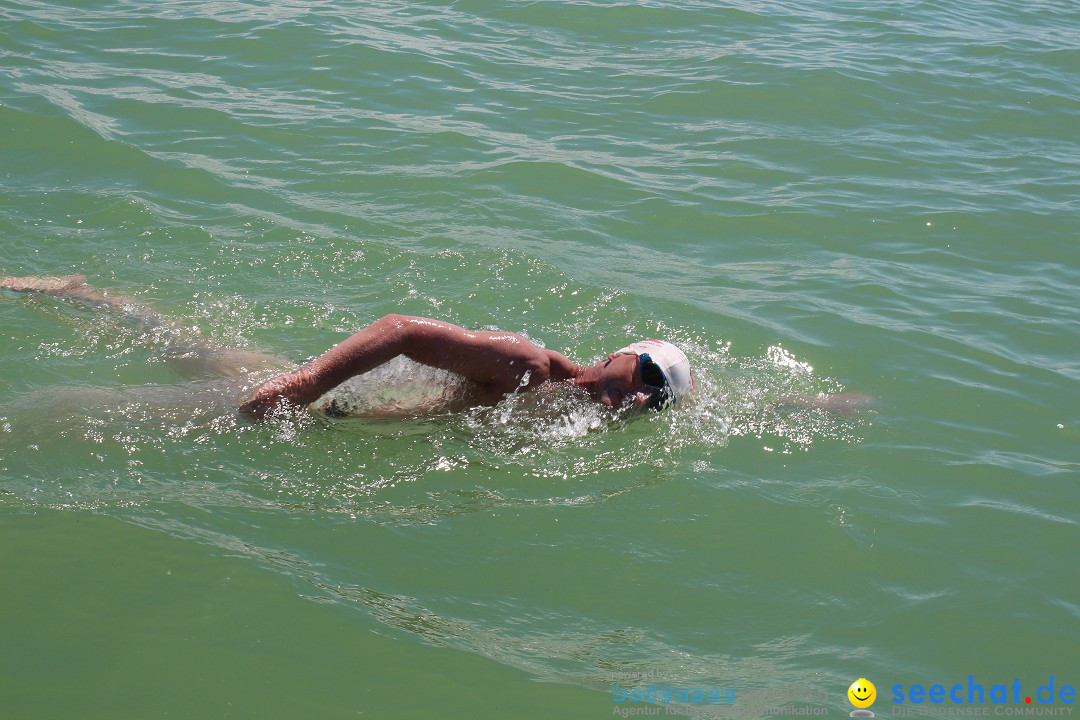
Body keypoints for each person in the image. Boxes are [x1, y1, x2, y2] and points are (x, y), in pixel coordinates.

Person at [2, 274, 694, 419]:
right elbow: (399, 330)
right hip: (313, 399)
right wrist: (302, 387)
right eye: (645, 372)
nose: (638, 392)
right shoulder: (528, 367)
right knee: (91, 410)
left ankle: (81, 295)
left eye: (654, 396)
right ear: (619, 351)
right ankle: (73, 294)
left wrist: (804, 405)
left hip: (330, 402)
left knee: (184, 346)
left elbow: (743, 404)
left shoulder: (569, 412)